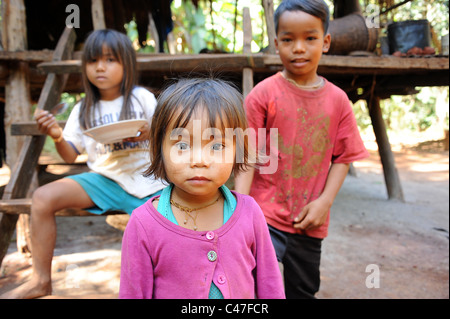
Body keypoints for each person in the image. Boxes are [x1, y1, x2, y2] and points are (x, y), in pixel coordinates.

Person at [1, 29, 165, 299]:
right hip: (103, 179)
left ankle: (153, 289)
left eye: (110, 60)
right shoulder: (82, 108)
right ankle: (40, 280)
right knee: (42, 197)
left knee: (159, 224)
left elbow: (167, 137)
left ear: (127, 63)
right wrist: (55, 134)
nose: (100, 67)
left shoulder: (142, 98)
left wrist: (153, 132)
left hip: (147, 179)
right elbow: (69, 155)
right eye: (93, 61)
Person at [234, 0, 369, 299]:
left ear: (326, 41)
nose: (298, 48)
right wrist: (240, 208)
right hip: (264, 215)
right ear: (275, 43)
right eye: (288, 39)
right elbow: (248, 155)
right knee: (253, 286)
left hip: (310, 219)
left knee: (303, 290)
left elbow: (344, 157)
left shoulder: (337, 101)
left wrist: (325, 202)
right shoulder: (263, 94)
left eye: (310, 38)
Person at [119, 78, 285, 299]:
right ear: (159, 149)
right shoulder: (144, 225)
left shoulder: (249, 212)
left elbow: (270, 286)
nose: (199, 160)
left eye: (217, 146)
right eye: (182, 145)